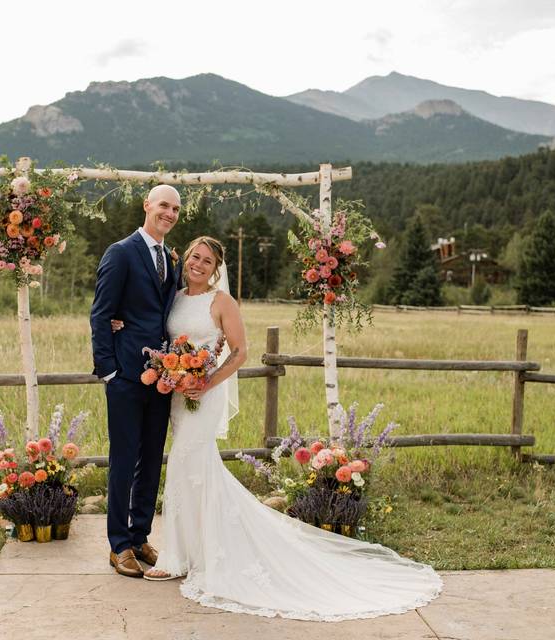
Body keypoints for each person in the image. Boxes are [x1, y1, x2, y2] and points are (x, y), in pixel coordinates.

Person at [118, 235, 444, 621]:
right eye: (195, 257)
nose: (199, 265)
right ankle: (193, 550)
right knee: (193, 469)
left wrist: (206, 381)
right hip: (178, 396)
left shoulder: (222, 302)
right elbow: (154, 324)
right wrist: (120, 322)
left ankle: (177, 556)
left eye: (208, 261)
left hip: (204, 396)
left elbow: (240, 352)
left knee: (187, 463)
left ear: (217, 269)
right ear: (186, 259)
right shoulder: (175, 295)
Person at [89, 184, 182, 578]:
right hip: (126, 376)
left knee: (151, 458)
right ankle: (118, 546)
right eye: (164, 205)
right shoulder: (121, 252)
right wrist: (109, 370)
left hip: (162, 379)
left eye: (176, 209)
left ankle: (140, 535)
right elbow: (100, 314)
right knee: (124, 460)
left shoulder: (170, 259)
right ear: (147, 206)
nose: (170, 213)